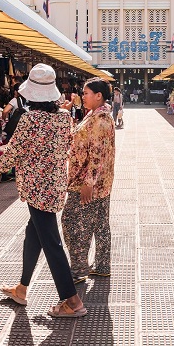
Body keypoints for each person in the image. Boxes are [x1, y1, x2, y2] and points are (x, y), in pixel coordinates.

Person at [0, 63, 86, 318]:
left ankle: (72, 300)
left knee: (51, 242)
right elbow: (67, 145)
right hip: (54, 185)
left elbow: (14, 149)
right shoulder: (65, 118)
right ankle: (21, 288)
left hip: (35, 187)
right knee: (33, 235)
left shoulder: (29, 119)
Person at [62, 77, 116, 283]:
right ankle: (102, 265)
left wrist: (88, 182)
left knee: (73, 223)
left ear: (98, 96)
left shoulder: (100, 120)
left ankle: (78, 270)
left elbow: (97, 154)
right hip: (101, 182)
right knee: (100, 224)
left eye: (86, 93)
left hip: (87, 182)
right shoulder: (95, 115)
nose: (82, 96)